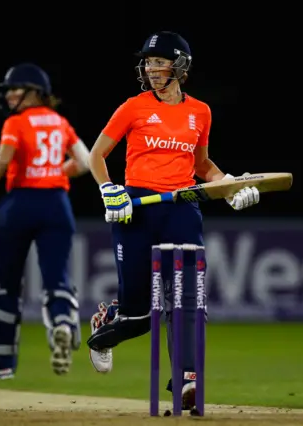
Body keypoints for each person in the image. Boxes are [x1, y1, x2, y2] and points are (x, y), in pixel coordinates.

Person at [85, 31, 260, 410]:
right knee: (139, 317)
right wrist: (109, 189)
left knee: (187, 300)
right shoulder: (133, 107)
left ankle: (186, 381)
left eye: (159, 61)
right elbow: (96, 155)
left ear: (179, 65)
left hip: (182, 206)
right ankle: (105, 328)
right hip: (136, 207)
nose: (151, 69)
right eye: (147, 62)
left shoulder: (201, 111)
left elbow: (202, 166)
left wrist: (228, 185)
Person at [0, 63, 91, 379]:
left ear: (35, 92)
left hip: (20, 204)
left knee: (6, 285)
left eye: (15, 89)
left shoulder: (16, 122)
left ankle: (2, 363)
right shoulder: (61, 122)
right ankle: (62, 324)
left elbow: (3, 159)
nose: (8, 95)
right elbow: (86, 162)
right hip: (57, 205)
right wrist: (55, 172)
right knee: (56, 279)